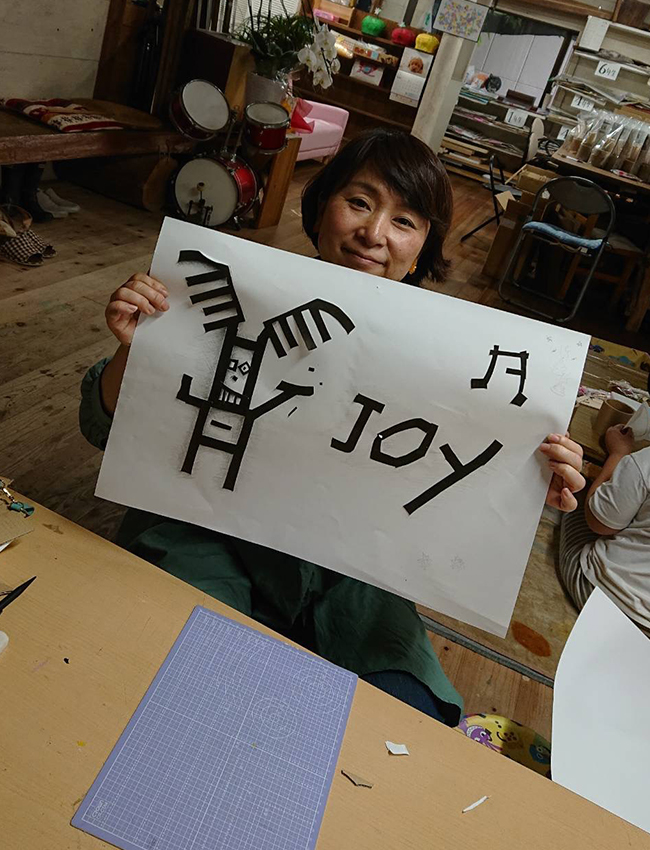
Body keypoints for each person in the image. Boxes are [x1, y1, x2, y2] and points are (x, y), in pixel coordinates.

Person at [80, 128, 585, 726]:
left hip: (352, 576)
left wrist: (528, 479)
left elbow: (460, 500)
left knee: (407, 716)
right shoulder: (232, 292)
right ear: (321, 208)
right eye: (360, 202)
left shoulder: (456, 364)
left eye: (405, 221)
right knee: (178, 677)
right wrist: (137, 350)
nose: (375, 233)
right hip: (204, 533)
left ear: (422, 248)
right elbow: (101, 426)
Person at [559, 423, 650, 635]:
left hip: (604, 598)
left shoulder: (644, 462)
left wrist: (618, 454)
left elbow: (599, 523)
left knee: (576, 494)